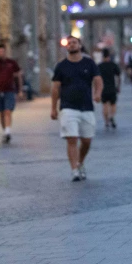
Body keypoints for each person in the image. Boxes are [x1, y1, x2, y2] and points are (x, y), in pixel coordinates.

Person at [51, 36, 103, 182]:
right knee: (71, 138)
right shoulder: (61, 66)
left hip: (86, 107)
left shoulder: (89, 63)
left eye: (74, 42)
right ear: (66, 47)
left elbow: (98, 80)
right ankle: (74, 169)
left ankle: (80, 162)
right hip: (67, 107)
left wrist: (97, 94)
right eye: (69, 43)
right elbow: (55, 88)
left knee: (86, 140)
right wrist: (53, 108)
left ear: (80, 45)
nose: (72, 45)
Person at [0, 44, 23, 143]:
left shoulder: (11, 63)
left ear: (5, 52)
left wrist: (20, 90)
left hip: (9, 90)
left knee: (7, 111)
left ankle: (7, 132)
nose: (1, 54)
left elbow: (18, 76)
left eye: (2, 51)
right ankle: (5, 130)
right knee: (1, 113)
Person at [97, 49, 121, 129]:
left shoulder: (99, 66)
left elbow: (96, 79)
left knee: (104, 105)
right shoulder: (113, 65)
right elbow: (118, 76)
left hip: (103, 89)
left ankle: (106, 122)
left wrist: (96, 89)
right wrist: (118, 86)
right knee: (113, 104)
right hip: (112, 88)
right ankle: (112, 116)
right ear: (109, 56)